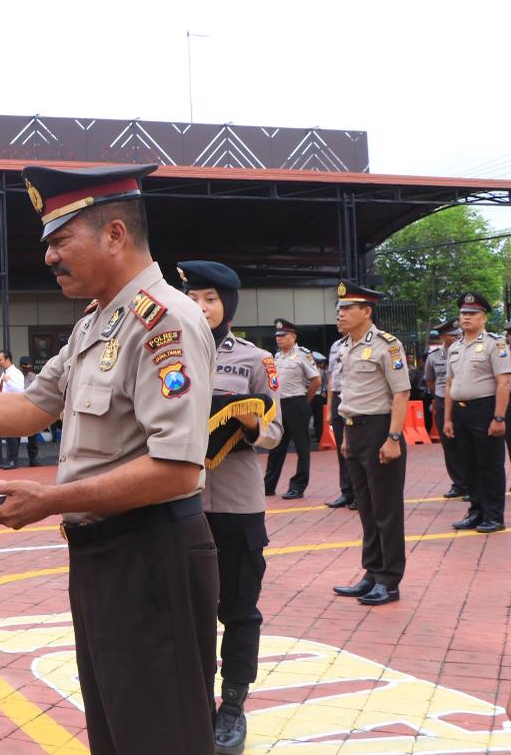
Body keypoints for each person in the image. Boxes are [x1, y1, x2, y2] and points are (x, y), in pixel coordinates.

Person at [0, 163, 219, 753]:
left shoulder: (165, 321)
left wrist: (48, 500)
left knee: (161, 735)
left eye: (60, 241)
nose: (49, 258)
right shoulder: (96, 321)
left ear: (114, 236)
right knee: (116, 730)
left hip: (151, 554)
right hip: (103, 555)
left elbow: (177, 468)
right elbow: (30, 408)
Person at [178, 260, 283, 754]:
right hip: (181, 502)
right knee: (188, 609)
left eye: (211, 299)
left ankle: (233, 708)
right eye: (193, 298)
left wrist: (248, 425)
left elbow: (276, 430)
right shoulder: (168, 354)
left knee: (239, 610)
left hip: (238, 505)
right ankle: (193, 700)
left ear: (228, 305)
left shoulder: (255, 360)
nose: (201, 308)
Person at [330, 281, 411, 607]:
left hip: (380, 430)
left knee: (386, 510)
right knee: (366, 508)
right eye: (339, 309)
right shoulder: (346, 346)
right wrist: (347, 438)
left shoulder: (387, 346)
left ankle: (389, 581)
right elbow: (348, 396)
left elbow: (401, 393)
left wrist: (393, 438)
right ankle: (372, 572)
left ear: (367, 311)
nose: (341, 314)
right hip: (355, 431)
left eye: (347, 308)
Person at [444, 292, 509, 533]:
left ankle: (493, 515)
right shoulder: (456, 347)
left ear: (483, 318)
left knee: (489, 464)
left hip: (485, 409)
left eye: (472, 314)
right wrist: (448, 418)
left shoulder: (495, 343)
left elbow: (503, 383)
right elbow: (450, 385)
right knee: (468, 465)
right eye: (463, 313)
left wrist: (499, 417)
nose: (466, 317)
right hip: (460, 412)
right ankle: (476, 511)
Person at [263, 319, 321, 499]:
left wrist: (305, 400)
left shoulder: (303, 354)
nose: (279, 339)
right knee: (276, 447)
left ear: (293, 336)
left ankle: (298, 486)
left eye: (283, 335)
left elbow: (316, 381)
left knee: (302, 448)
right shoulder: (277, 356)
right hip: (280, 406)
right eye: (277, 336)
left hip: (297, 404)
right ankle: (268, 485)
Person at [424, 319, 466, 500]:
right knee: (449, 445)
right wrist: (440, 396)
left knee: (467, 444)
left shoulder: (465, 351)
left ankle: (472, 484)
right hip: (442, 401)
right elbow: (430, 381)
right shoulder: (433, 357)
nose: (457, 337)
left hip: (463, 402)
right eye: (452, 335)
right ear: (442, 337)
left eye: (458, 334)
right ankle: (459, 484)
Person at [323, 333, 357, 510]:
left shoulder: (363, 343)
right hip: (337, 397)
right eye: (337, 314)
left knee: (355, 449)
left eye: (344, 311)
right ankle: (347, 492)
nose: (340, 318)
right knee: (341, 450)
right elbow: (331, 379)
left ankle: (360, 493)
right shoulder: (336, 345)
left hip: (355, 397)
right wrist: (329, 408)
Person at [0, 350, 25, 469]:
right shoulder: (4, 373)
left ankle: (13, 460)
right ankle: (11, 459)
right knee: (9, 434)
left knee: (12, 434)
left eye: (0, 360)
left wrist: (8, 381)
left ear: (7, 360)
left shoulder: (16, 373)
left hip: (13, 407)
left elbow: (20, 390)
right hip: (5, 407)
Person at [19, 356, 40, 466]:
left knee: (33, 435)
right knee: (15, 435)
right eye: (25, 367)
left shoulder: (34, 377)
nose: (27, 369)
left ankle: (33, 459)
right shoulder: (17, 376)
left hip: (31, 408)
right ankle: (13, 459)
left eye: (29, 367)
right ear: (21, 366)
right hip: (18, 408)